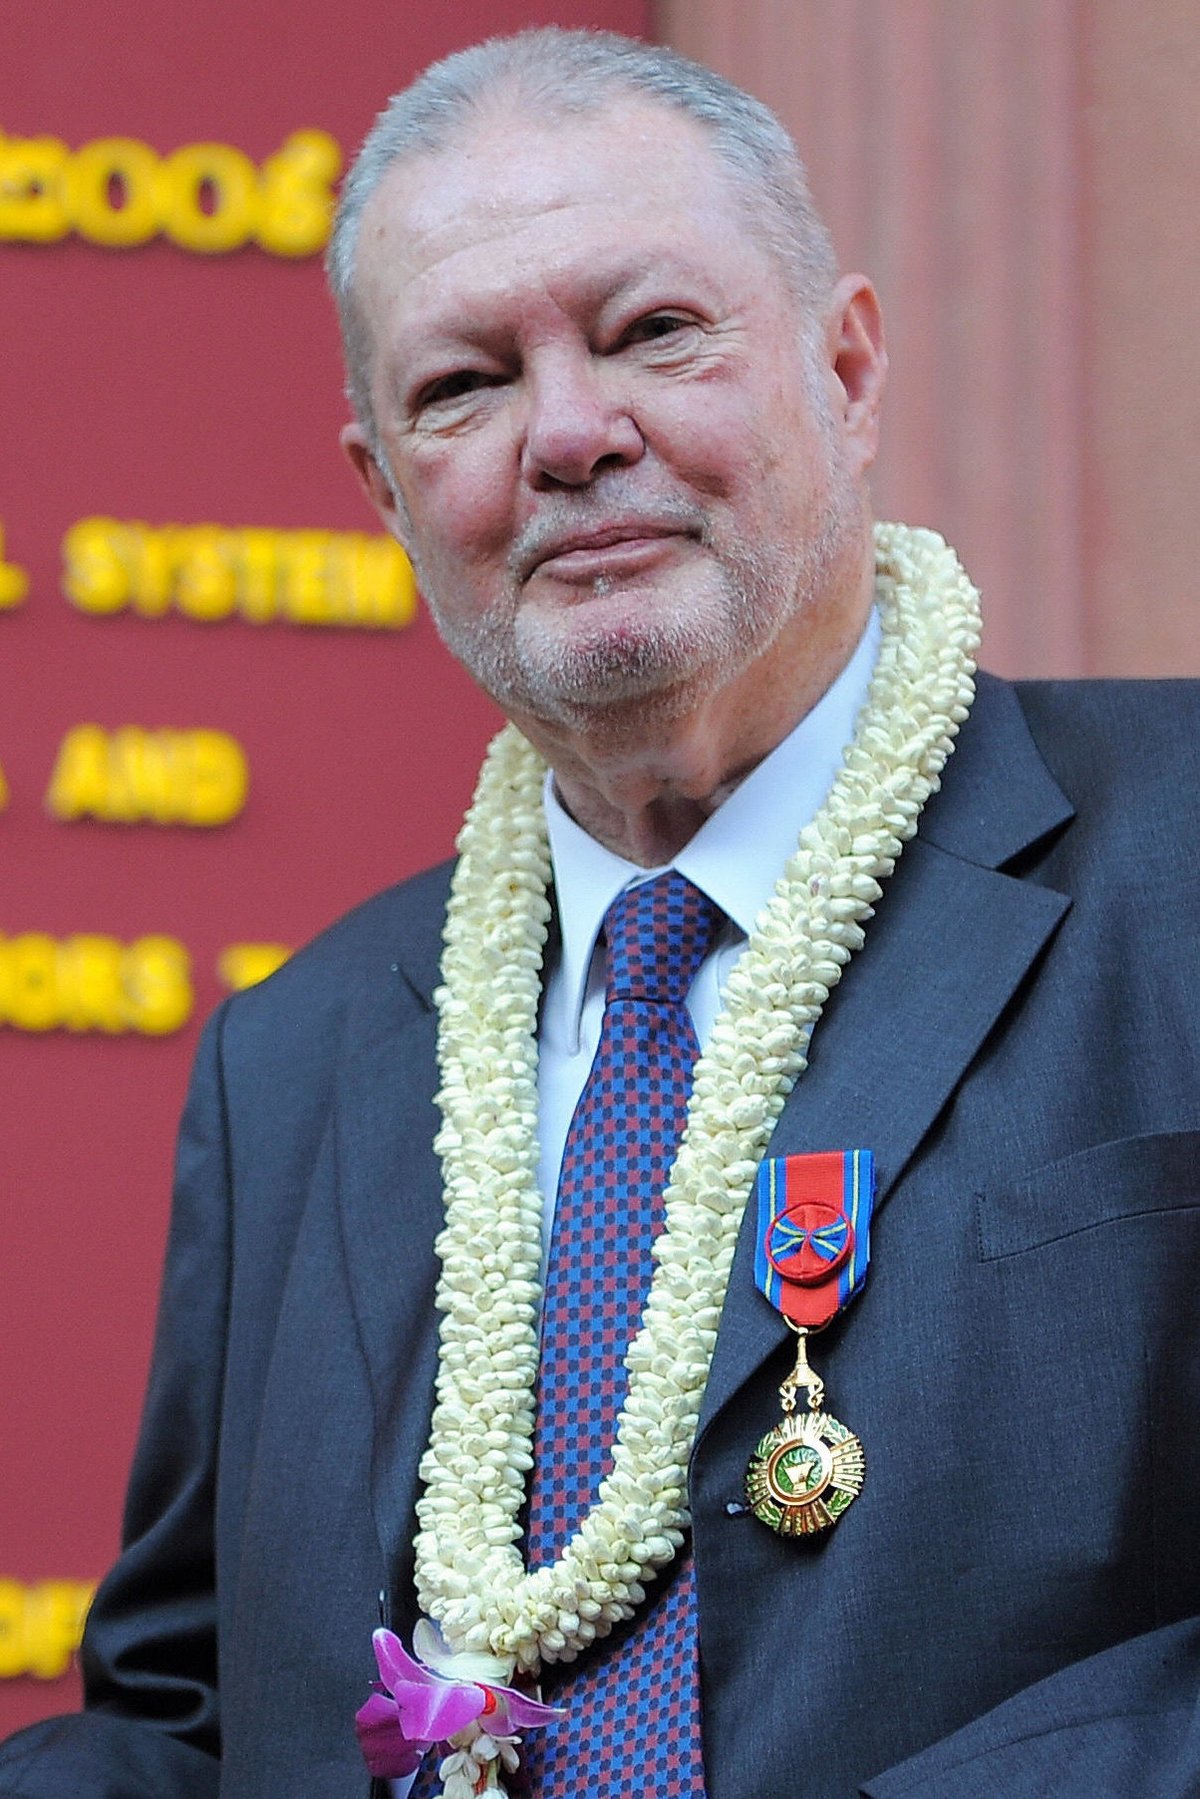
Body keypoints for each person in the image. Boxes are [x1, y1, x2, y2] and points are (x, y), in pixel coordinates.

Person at [2, 26, 1198, 1799]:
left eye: (652, 332)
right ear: (386, 491)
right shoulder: (297, 1057)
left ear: (848, 369)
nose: (568, 434)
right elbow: (195, 1716)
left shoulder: (1174, 861)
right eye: (464, 385)